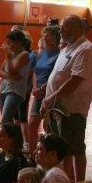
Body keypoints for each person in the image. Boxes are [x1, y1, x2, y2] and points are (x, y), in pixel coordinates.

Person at [41, 15, 92, 183]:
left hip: (71, 110)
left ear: (77, 28)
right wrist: (45, 92)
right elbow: (58, 75)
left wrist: (51, 98)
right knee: (60, 150)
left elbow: (75, 80)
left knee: (75, 149)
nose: (60, 31)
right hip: (55, 108)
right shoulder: (67, 48)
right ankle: (64, 182)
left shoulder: (86, 49)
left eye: (64, 27)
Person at [28, 25, 61, 158]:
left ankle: (47, 157)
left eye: (47, 36)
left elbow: (57, 76)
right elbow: (35, 72)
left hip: (50, 94)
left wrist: (42, 88)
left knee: (48, 127)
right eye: (44, 36)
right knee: (32, 124)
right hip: (38, 94)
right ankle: (33, 156)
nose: (44, 38)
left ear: (55, 38)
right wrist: (35, 88)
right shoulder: (42, 53)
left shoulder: (59, 55)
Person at [0, 29, 31, 126]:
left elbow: (13, 71)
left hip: (15, 91)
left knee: (5, 121)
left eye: (10, 42)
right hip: (4, 89)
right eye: (7, 42)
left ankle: (13, 136)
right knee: (7, 123)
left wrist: (8, 56)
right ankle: (12, 136)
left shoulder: (24, 54)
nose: (8, 45)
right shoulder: (10, 54)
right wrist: (10, 77)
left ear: (19, 42)